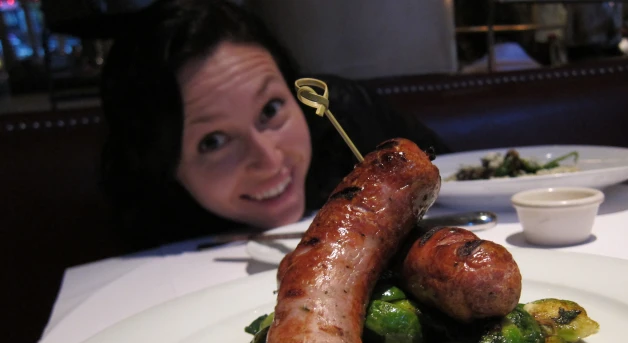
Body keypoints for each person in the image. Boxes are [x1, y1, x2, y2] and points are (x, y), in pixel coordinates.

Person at [99, 0, 451, 250]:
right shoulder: (146, 215)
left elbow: (455, 184)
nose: (268, 160)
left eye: (270, 109)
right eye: (213, 141)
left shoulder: (348, 117)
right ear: (158, 159)